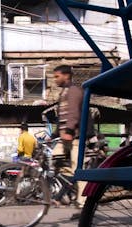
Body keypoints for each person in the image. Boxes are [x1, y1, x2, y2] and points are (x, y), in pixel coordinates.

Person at [51, 65, 87, 215]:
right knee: (55, 159)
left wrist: (69, 130)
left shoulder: (74, 91)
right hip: (65, 138)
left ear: (66, 76)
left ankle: (83, 204)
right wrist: (54, 134)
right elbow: (62, 117)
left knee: (79, 171)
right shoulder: (63, 93)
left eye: (57, 76)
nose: (55, 80)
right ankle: (65, 192)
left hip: (74, 137)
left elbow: (73, 113)